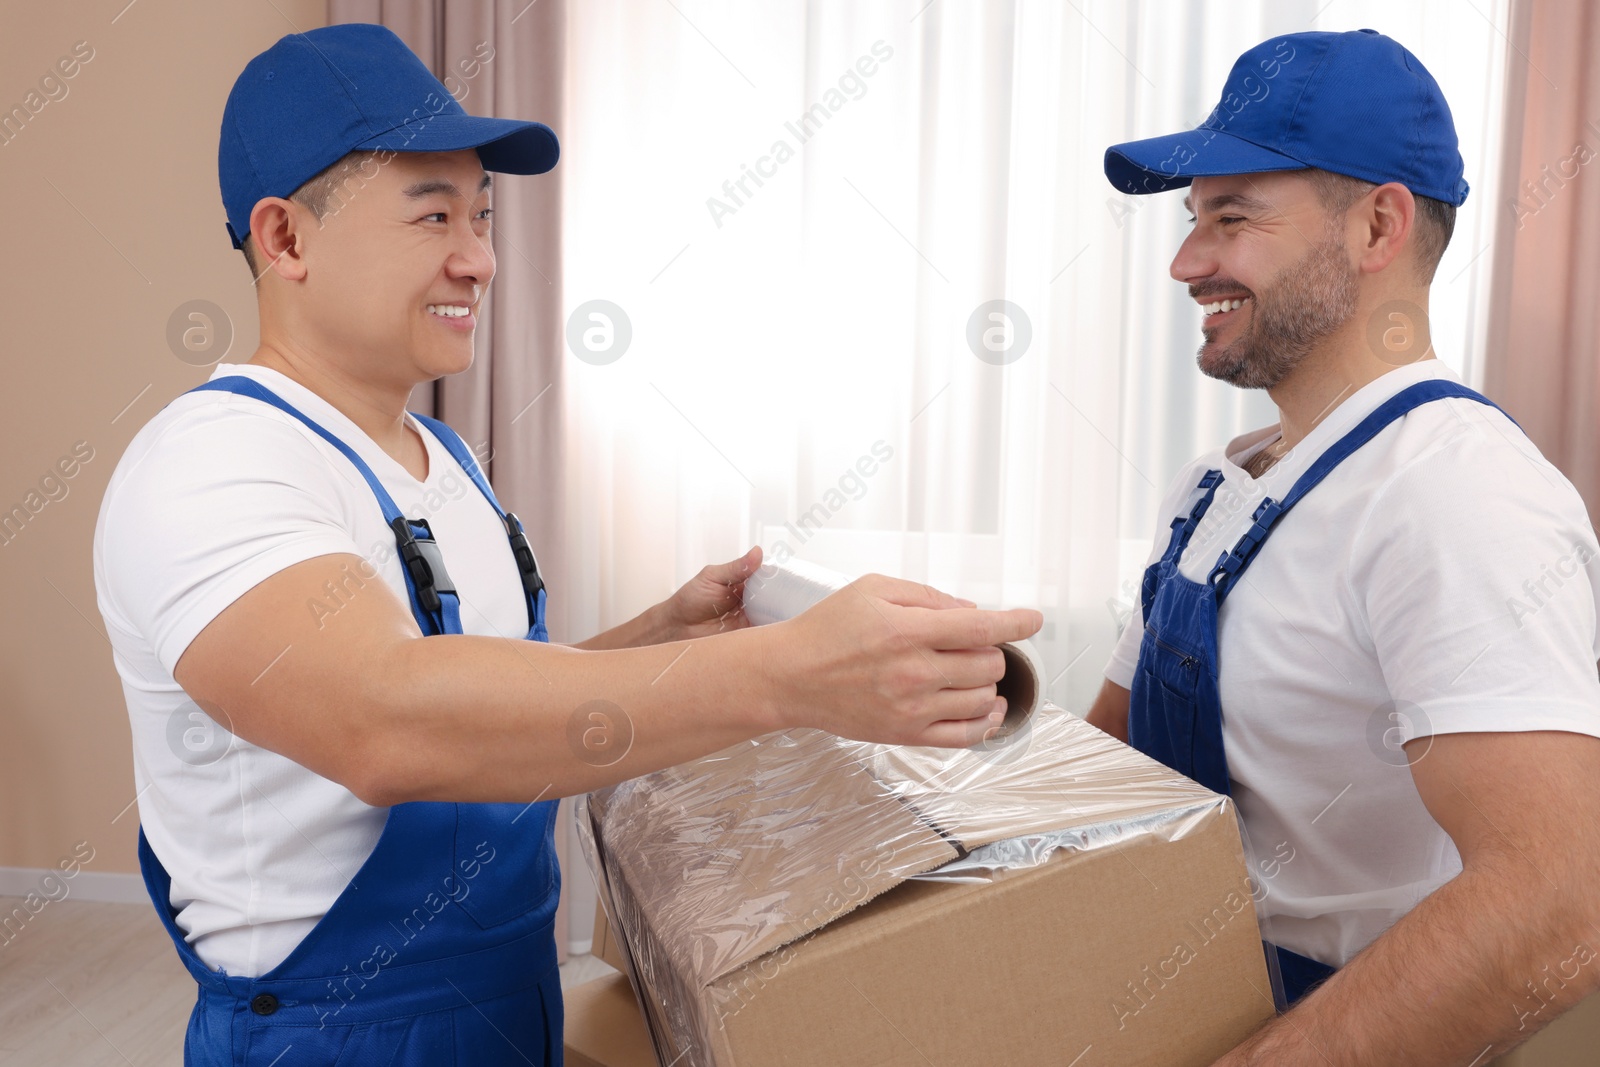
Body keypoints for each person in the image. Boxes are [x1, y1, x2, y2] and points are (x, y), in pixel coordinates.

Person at [90, 24, 1041, 1067]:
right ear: (285, 239)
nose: (478, 257)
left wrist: (660, 636)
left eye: (483, 216)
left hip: (505, 996)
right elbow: (384, 721)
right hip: (340, 1031)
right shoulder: (213, 461)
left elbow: (491, 715)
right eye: (433, 215)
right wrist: (791, 674)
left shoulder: (438, 453)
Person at [1085, 28, 1600, 1064]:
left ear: (1377, 225)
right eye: (1191, 222)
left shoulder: (1454, 494)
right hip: (1156, 1001)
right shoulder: (1218, 486)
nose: (1187, 263)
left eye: (1231, 218)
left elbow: (1561, 899)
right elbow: (1110, 772)